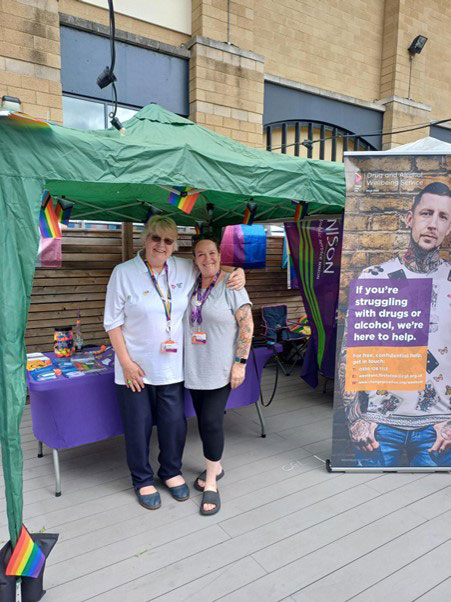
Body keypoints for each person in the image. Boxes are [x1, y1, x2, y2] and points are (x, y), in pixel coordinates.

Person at [103, 216, 245, 510]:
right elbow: (112, 323)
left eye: (168, 240)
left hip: (172, 367)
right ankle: (142, 478)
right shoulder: (123, 273)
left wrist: (237, 272)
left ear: (174, 245)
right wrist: (126, 363)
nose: (161, 245)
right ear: (145, 239)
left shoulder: (183, 267)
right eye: (156, 238)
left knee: (173, 425)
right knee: (139, 426)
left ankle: (170, 471)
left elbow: (211, 267)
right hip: (135, 369)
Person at [340, 181, 451, 467]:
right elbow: (352, 354)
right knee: (370, 500)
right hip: (379, 427)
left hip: (439, 429)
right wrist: (357, 420)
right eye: (427, 213)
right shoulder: (375, 276)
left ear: (449, 228)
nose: (433, 224)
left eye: (443, 217)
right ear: (410, 218)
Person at [184, 235, 254, 515]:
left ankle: (212, 481)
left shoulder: (231, 283)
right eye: (200, 254)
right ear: (194, 259)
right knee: (203, 421)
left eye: (212, 253)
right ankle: (218, 466)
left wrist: (240, 362)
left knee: (212, 423)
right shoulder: (191, 282)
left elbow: (247, 323)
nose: (207, 259)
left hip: (220, 368)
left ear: (219, 255)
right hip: (193, 368)